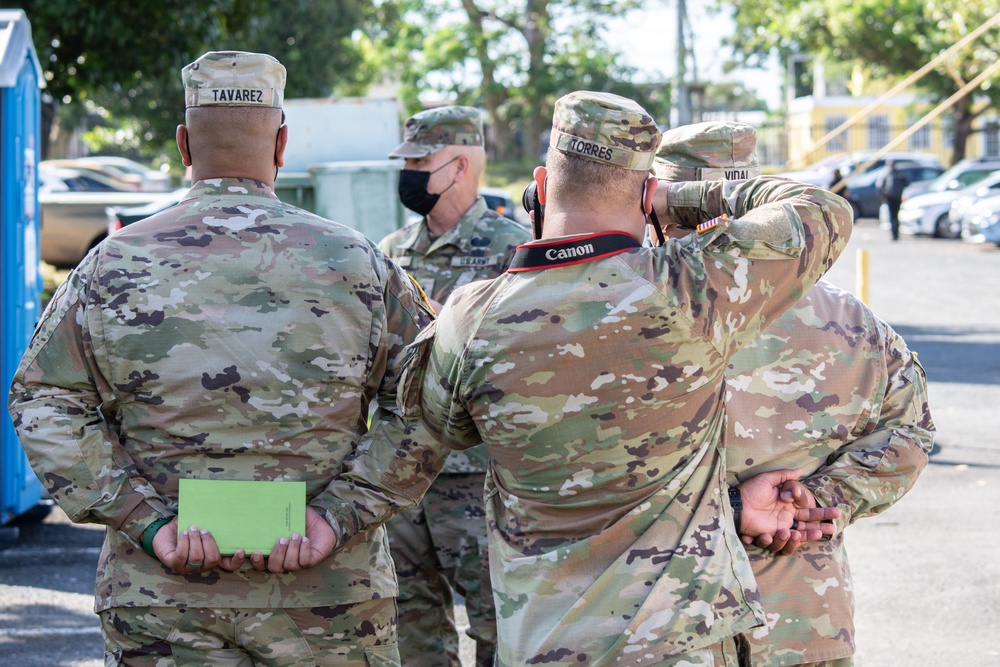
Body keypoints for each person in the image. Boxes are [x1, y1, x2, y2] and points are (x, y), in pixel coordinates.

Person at [8, 50, 446, 666]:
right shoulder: (358, 264)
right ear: (282, 143)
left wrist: (146, 519)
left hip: (161, 598)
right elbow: (433, 398)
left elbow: (44, 399)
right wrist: (340, 514)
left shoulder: (111, 265)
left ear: (184, 144)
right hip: (326, 600)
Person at [400, 92, 853, 666]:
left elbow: (438, 427)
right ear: (647, 194)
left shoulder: (471, 313)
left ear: (540, 184)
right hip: (675, 646)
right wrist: (688, 197)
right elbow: (821, 211)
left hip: (543, 646)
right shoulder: (691, 288)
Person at [655, 122, 936, 667]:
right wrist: (824, 499)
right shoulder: (849, 317)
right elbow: (912, 428)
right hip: (805, 620)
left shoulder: (625, 310)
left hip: (666, 623)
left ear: (662, 202)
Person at [379, 106, 530, 667]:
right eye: (407, 161)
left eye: (421, 161)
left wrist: (456, 325)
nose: (409, 172)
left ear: (460, 165)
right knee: (410, 620)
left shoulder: (513, 250)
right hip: (403, 470)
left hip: (477, 476)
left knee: (498, 622)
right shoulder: (391, 250)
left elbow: (527, 359)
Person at [876, 159, 909, 240]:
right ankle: (896, 233)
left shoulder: (886, 173)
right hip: (898, 197)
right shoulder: (899, 173)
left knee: (891, 216)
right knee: (896, 215)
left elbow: (879, 186)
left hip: (890, 197)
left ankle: (893, 234)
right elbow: (907, 183)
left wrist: (882, 195)